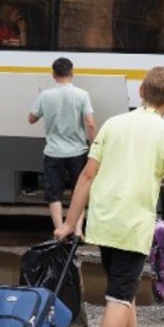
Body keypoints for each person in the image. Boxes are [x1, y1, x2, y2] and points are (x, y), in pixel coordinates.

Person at [54, 66, 164, 327]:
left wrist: (71, 223)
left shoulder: (114, 124)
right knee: (117, 297)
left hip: (104, 220)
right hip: (132, 224)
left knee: (124, 292)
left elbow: (86, 176)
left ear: (141, 91)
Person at [28, 57, 96, 238]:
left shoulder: (45, 95)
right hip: (78, 151)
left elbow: (31, 118)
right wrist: (93, 144)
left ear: (53, 74)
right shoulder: (82, 95)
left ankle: (59, 230)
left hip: (53, 152)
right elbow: (90, 123)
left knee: (54, 192)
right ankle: (78, 230)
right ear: (72, 74)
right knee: (79, 190)